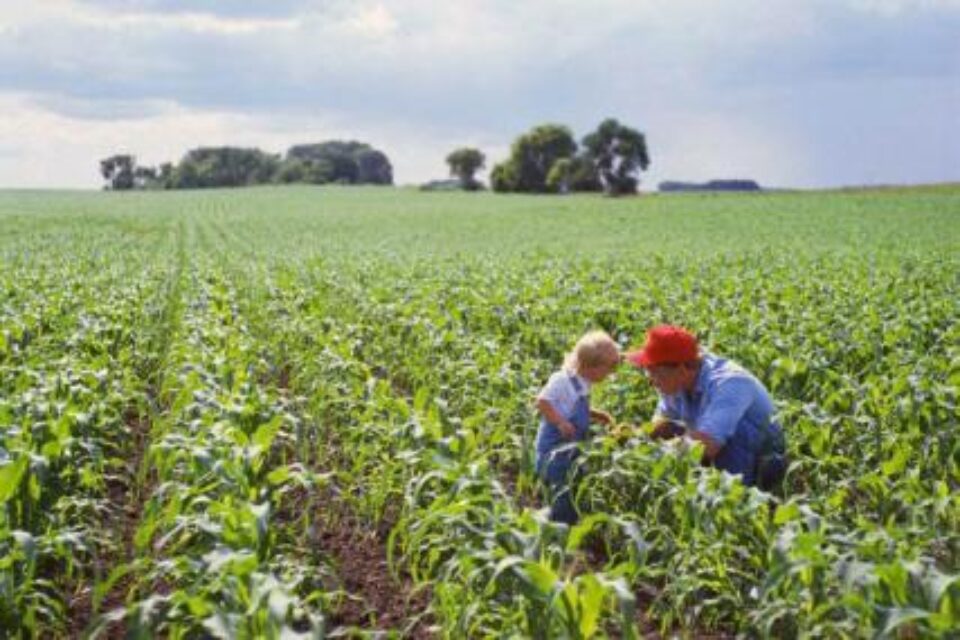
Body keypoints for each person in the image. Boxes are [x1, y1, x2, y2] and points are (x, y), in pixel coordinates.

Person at [625, 325, 787, 491]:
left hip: (762, 462)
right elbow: (661, 422)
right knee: (670, 431)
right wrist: (636, 436)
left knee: (721, 440)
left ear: (680, 369)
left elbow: (706, 445)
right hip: (715, 447)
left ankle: (741, 503)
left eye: (653, 371)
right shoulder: (674, 382)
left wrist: (652, 452)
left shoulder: (730, 384)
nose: (650, 380)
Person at [535, 330, 620, 524]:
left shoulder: (584, 382)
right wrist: (560, 422)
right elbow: (542, 401)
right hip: (553, 456)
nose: (610, 374)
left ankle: (567, 530)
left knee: (572, 492)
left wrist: (598, 415)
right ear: (590, 366)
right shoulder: (562, 380)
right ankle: (557, 537)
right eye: (608, 369)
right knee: (562, 501)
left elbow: (572, 407)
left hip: (570, 454)